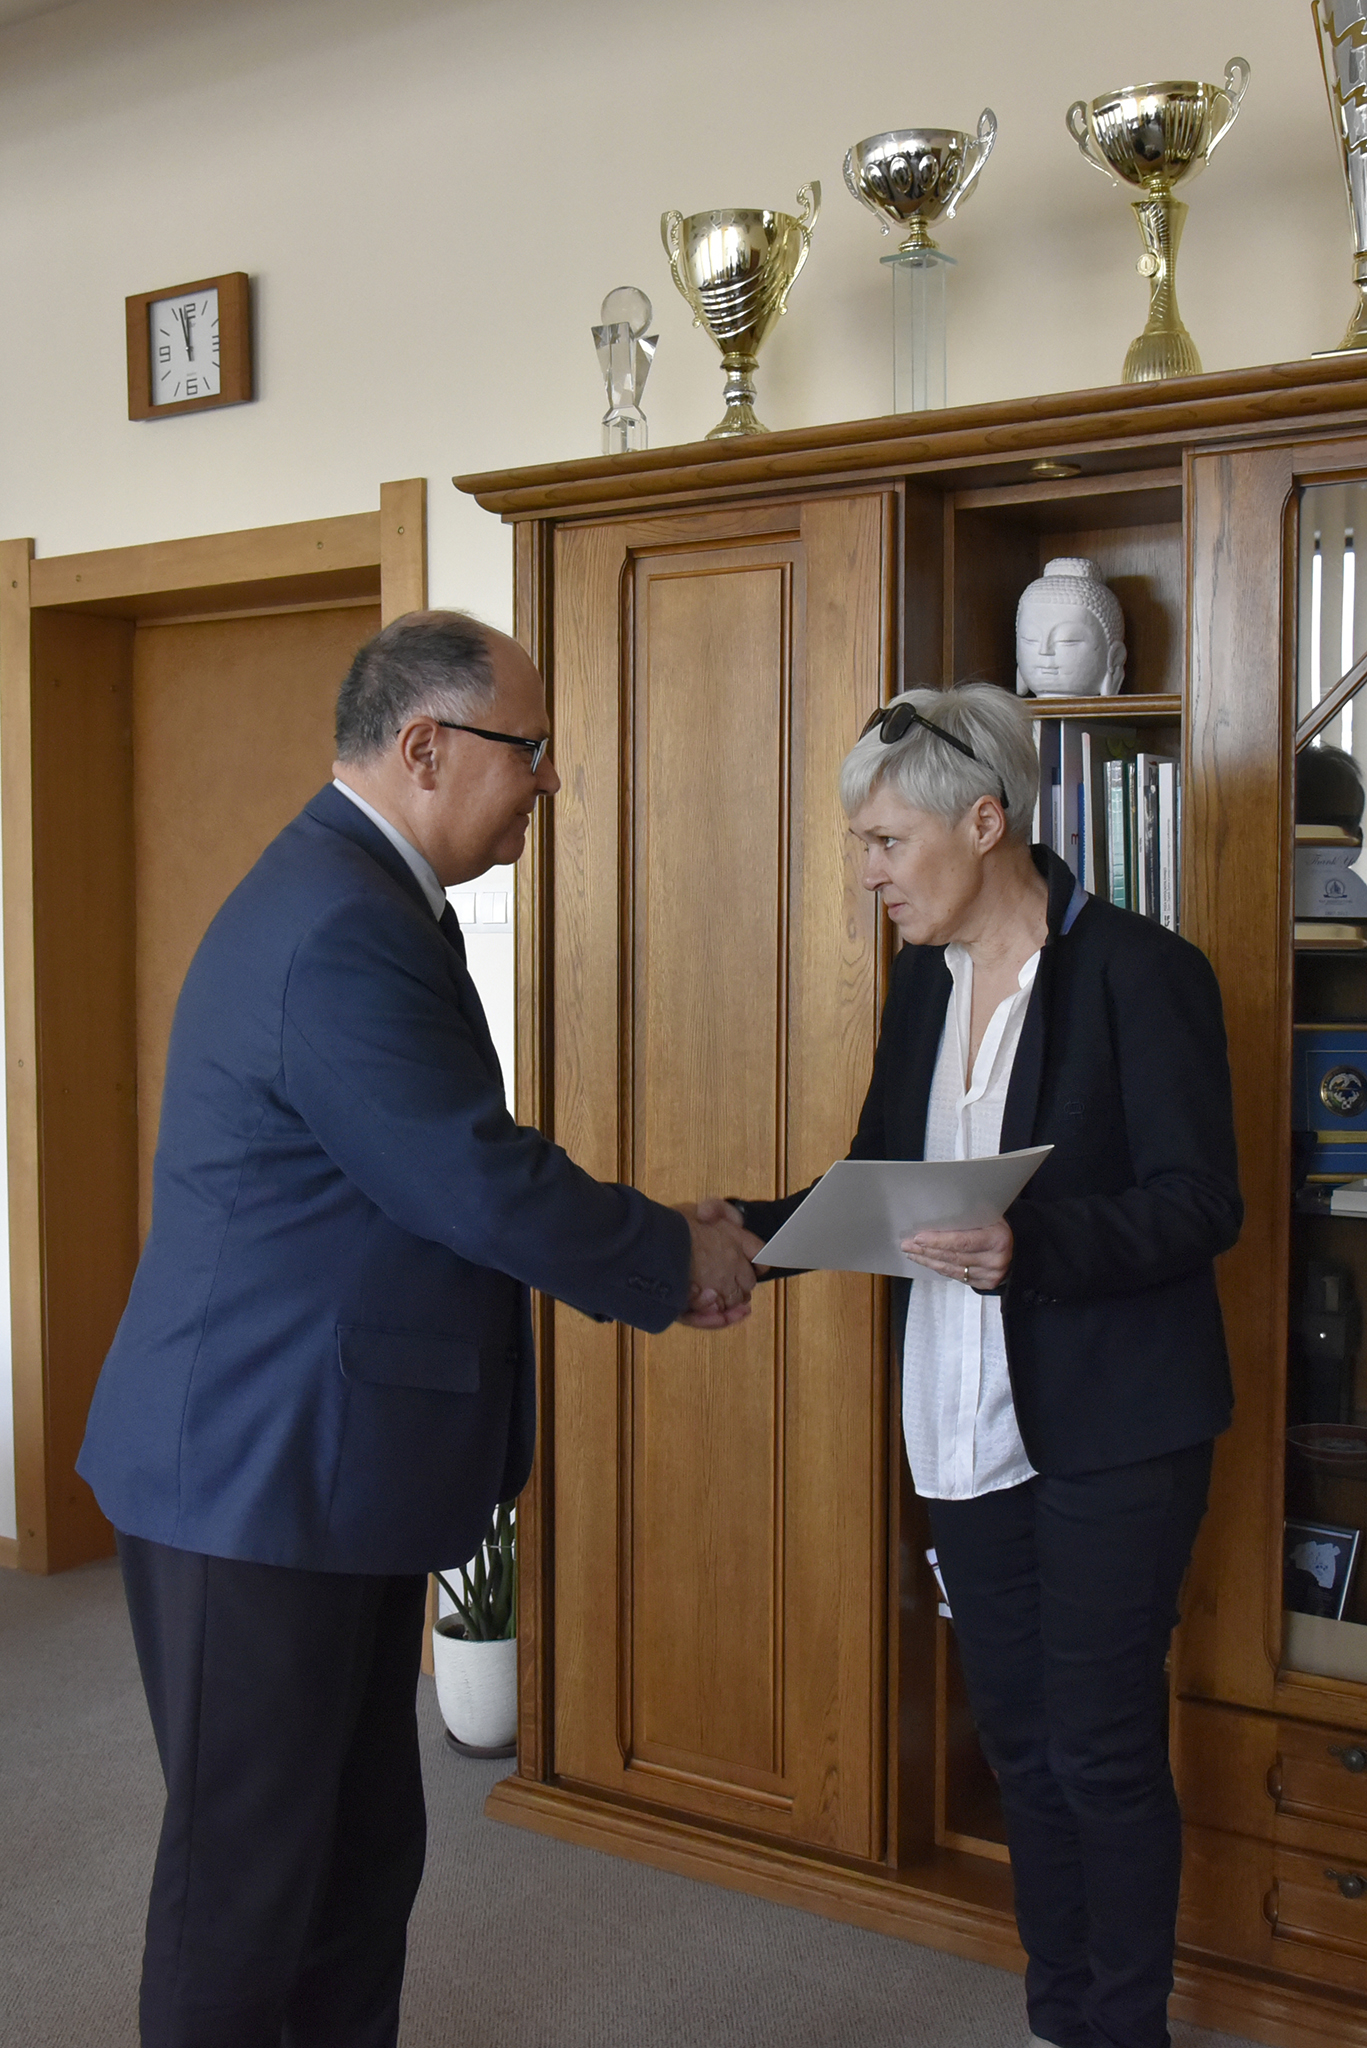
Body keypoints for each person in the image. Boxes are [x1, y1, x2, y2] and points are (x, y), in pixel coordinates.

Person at [76, 610, 760, 2048]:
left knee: (355, 1857)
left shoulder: (365, 897)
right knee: (248, 1889)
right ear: (428, 747)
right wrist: (671, 1257)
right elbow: (471, 1176)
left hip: (322, 1469)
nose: (550, 777)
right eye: (533, 747)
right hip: (254, 1472)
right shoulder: (337, 923)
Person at [707, 683, 1241, 2048]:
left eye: (886, 842)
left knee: (1102, 1751)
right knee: (1020, 1749)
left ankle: (1123, 2029)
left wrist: (1031, 1246)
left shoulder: (1144, 973)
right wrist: (737, 1235)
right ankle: (1062, 2016)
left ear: (986, 822)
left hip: (1113, 1428)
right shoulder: (920, 989)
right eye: (863, 845)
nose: (869, 873)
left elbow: (1202, 1204)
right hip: (956, 1418)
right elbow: (880, 1185)